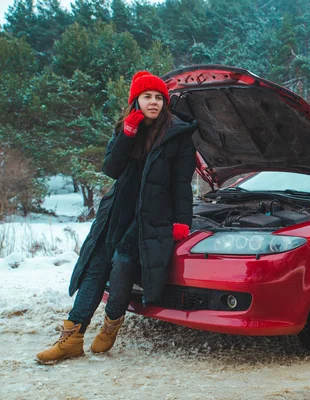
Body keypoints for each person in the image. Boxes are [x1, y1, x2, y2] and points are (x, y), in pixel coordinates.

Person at [36, 71, 197, 364]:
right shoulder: (126, 129)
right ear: (135, 101)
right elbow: (111, 169)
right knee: (96, 267)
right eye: (147, 96)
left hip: (152, 215)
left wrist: (181, 221)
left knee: (122, 261)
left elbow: (181, 184)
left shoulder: (178, 134)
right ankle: (71, 338)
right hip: (118, 209)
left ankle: (112, 323)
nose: (153, 102)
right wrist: (127, 134)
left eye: (159, 97)